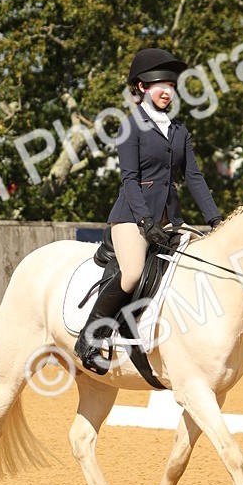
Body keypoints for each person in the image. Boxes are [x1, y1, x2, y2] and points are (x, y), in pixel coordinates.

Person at [74, 47, 223, 374]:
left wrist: (216, 220)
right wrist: (144, 221)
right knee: (132, 274)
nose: (166, 91)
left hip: (171, 221)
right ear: (141, 88)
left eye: (170, 85)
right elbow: (130, 179)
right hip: (131, 217)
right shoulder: (131, 127)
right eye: (159, 85)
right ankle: (91, 337)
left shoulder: (179, 130)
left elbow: (194, 178)